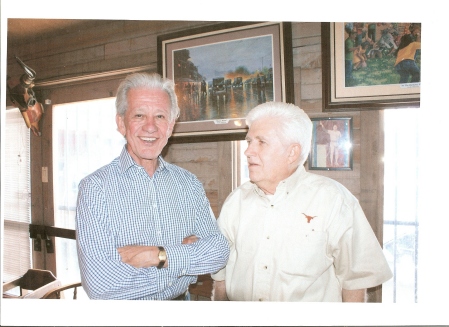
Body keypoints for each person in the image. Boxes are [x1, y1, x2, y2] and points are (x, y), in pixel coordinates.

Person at [211, 102, 392, 302]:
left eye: (261, 142)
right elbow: (221, 277)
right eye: (249, 142)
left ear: (292, 152)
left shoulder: (334, 200)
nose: (248, 152)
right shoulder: (236, 201)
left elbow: (355, 281)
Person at [75, 72, 230, 300]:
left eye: (160, 116)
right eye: (139, 115)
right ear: (121, 123)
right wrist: (184, 267)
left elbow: (219, 252)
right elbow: (101, 285)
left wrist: (156, 255)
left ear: (171, 126)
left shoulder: (188, 183)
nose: (151, 127)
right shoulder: (95, 188)